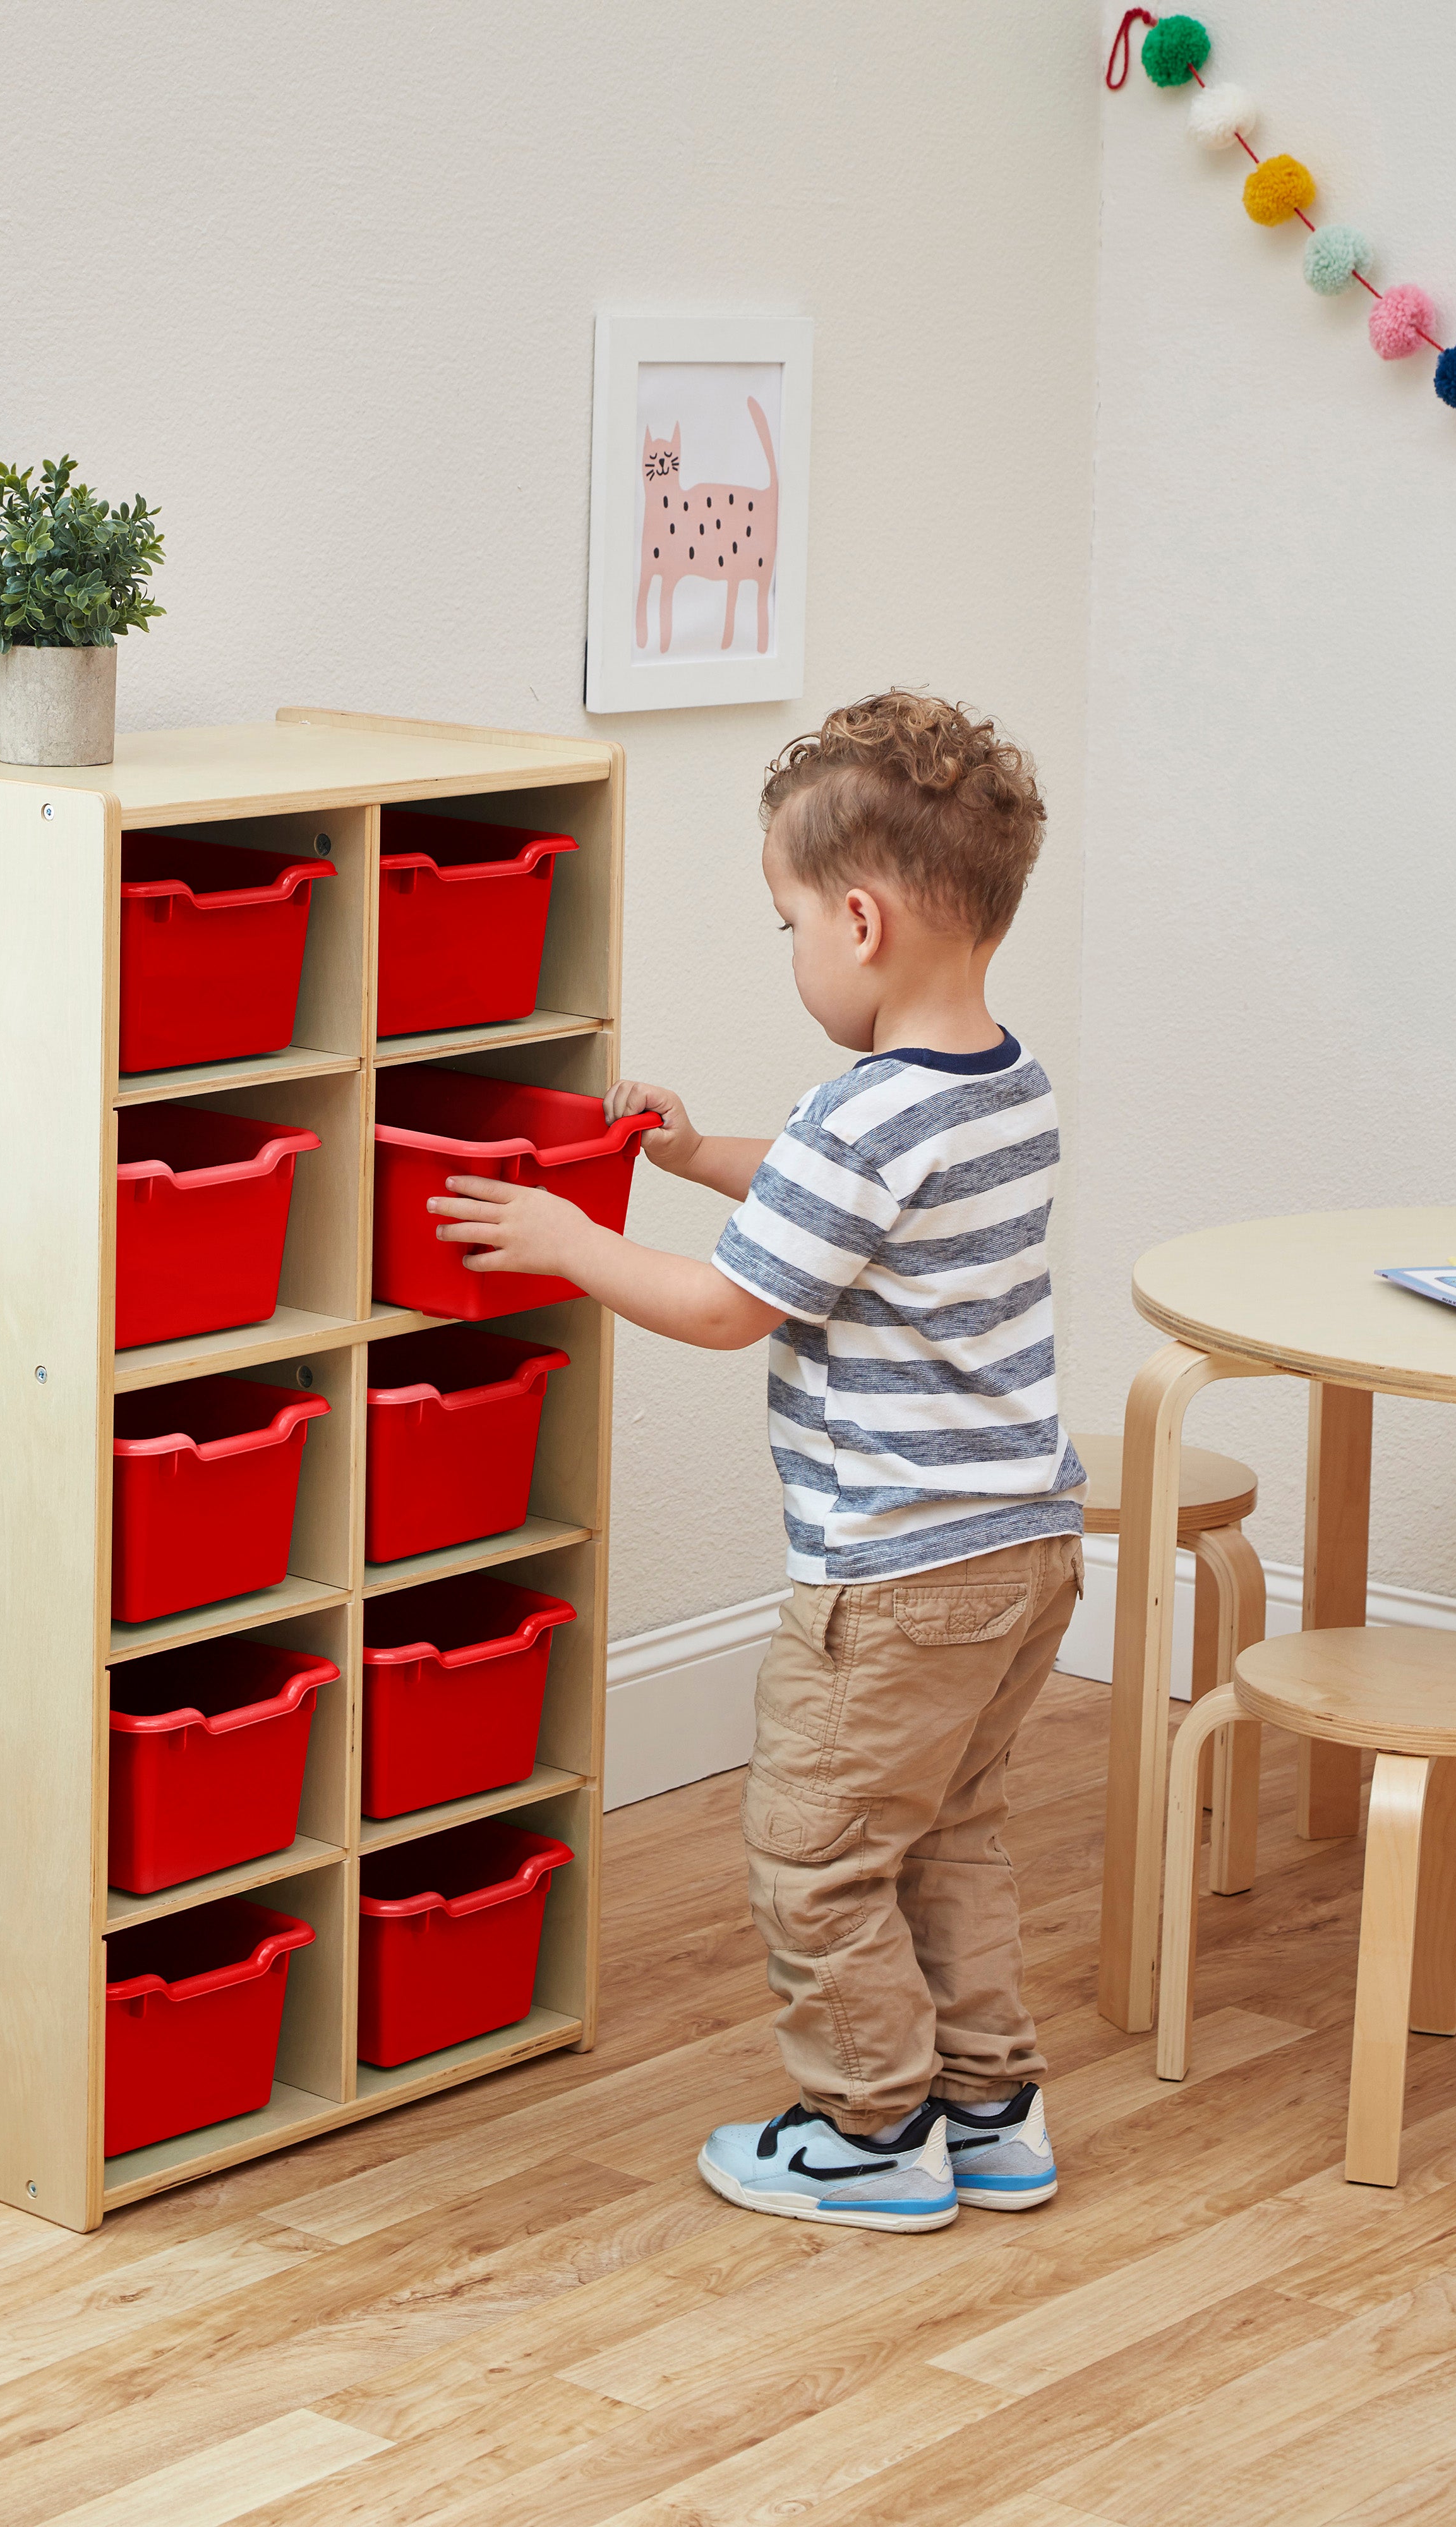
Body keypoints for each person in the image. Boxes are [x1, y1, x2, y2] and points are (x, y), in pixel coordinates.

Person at [427, 691, 1083, 2233]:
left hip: (894, 1575)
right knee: (947, 1832)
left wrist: (576, 1238)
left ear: (857, 919)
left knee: (818, 1855)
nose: (789, 948)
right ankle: (987, 2107)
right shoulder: (998, 1086)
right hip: (1023, 1545)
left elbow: (731, 1302)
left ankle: (867, 2132)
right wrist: (693, 1147)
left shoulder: (861, 1124)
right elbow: (826, 1203)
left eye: (787, 921)